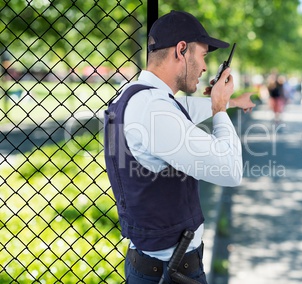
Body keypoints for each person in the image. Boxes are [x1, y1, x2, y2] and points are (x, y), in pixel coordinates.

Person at [103, 10, 255, 284]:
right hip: (172, 273)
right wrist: (220, 109)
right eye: (203, 55)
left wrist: (231, 101)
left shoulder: (137, 96)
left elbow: (182, 110)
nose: (205, 67)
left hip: (154, 266)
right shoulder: (155, 110)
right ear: (181, 50)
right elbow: (230, 171)